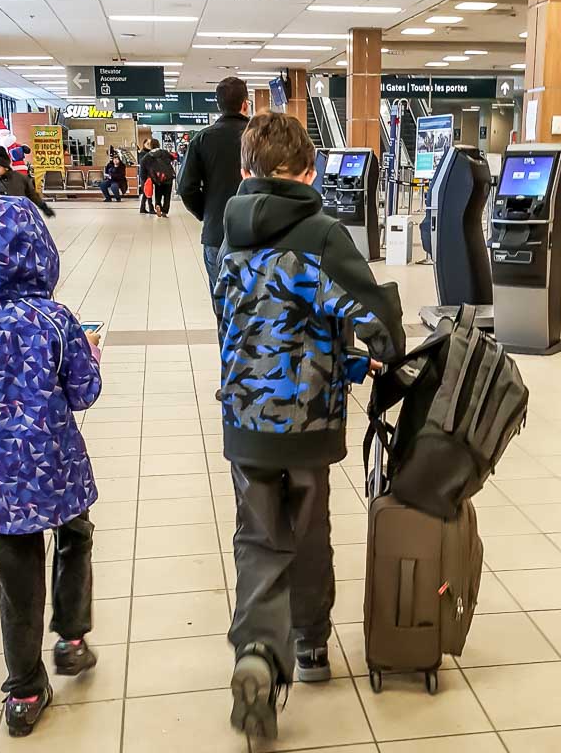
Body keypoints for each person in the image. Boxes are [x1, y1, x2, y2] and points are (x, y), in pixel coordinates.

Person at [215, 111, 405, 740]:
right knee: (309, 528)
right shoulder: (321, 233)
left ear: (247, 170)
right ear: (311, 169)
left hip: (245, 418)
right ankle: (310, 646)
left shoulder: (229, 233)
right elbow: (370, 315)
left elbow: (251, 324)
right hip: (305, 422)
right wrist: (373, 353)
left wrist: (338, 351)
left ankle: (256, 655)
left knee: (258, 535)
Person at [0, 194, 103, 737]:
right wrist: (90, 353)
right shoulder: (55, 319)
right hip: (57, 468)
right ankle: (71, 639)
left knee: (15, 580)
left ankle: (24, 691)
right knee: (75, 536)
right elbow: (83, 391)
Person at [178, 76, 249, 301]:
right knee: (258, 309)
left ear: (218, 105)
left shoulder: (202, 139)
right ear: (245, 104)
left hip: (216, 234)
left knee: (224, 308)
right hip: (258, 234)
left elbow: (186, 187)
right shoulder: (261, 136)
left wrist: (206, 211)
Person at [0, 146, 55, 217]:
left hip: (22, 217)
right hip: (3, 220)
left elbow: (32, 195)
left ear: (5, 167)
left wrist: (44, 207)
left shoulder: (21, 178)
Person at [140, 139, 176, 218]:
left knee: (158, 194)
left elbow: (142, 168)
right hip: (168, 177)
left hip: (157, 178)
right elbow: (172, 158)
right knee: (167, 196)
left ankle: (158, 205)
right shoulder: (164, 152)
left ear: (151, 145)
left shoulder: (147, 156)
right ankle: (165, 211)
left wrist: (144, 180)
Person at [138, 138, 155, 215]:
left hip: (148, 175)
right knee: (148, 191)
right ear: (144, 144)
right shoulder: (143, 154)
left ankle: (142, 208)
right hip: (145, 175)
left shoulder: (149, 153)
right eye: (147, 144)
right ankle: (150, 209)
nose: (149, 145)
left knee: (146, 192)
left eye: (150, 144)